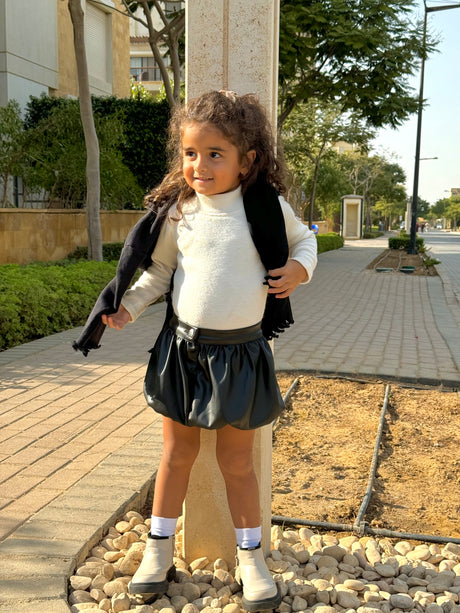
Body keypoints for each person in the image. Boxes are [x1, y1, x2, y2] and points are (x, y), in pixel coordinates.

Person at [100, 90, 317, 611]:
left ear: (248, 160)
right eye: (190, 153)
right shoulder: (181, 211)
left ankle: (251, 560)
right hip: (185, 353)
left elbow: (304, 241)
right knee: (176, 454)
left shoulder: (266, 207)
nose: (199, 165)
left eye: (215, 154)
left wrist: (299, 269)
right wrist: (129, 306)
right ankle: (158, 552)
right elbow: (160, 272)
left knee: (237, 463)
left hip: (241, 355)